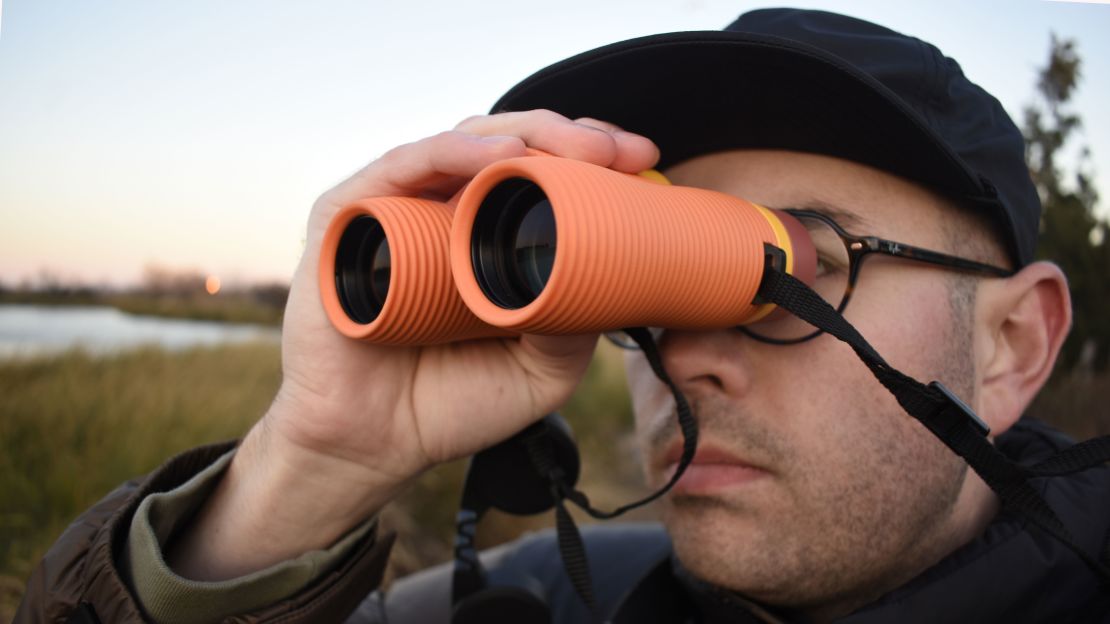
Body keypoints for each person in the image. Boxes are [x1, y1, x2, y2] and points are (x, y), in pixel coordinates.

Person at [16, 8, 1110, 624]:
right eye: (653, 277)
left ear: (1014, 345)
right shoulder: (539, 605)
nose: (685, 357)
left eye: (789, 266)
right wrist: (311, 465)